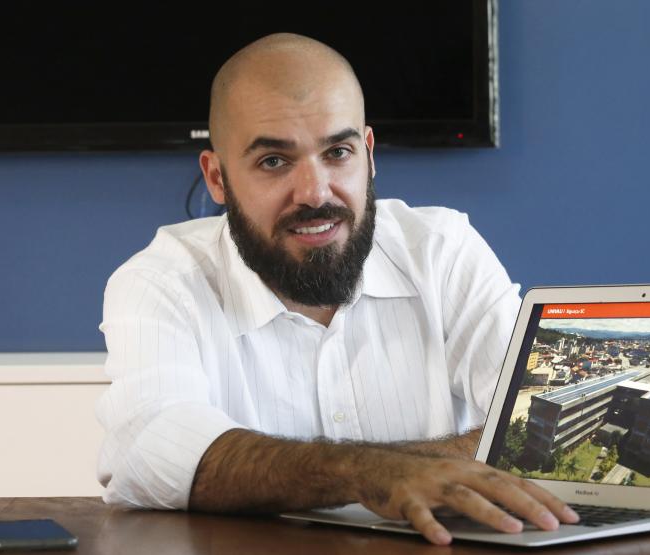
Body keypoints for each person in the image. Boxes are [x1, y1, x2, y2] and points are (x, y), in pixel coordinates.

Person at [96, 33, 578, 545]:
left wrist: (341, 472)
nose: (315, 192)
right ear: (217, 178)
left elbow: (537, 439)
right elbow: (152, 453)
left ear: (368, 154)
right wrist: (364, 474)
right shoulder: (161, 281)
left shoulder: (443, 250)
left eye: (338, 152)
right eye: (274, 161)